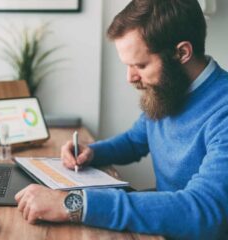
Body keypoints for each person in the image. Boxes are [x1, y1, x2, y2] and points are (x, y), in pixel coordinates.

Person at [14, 0, 228, 239]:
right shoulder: (170, 88)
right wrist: (92, 152)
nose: (130, 77)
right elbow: (135, 141)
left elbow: (204, 211)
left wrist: (74, 203)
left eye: (140, 65)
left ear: (182, 53)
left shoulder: (223, 109)